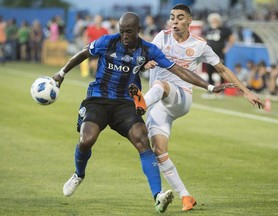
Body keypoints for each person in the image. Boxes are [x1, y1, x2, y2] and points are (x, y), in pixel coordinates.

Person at [53, 11, 233, 213]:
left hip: (125, 104)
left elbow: (179, 70)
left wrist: (209, 87)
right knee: (86, 139)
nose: (124, 36)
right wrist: (61, 74)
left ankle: (158, 197)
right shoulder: (107, 42)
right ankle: (79, 174)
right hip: (99, 99)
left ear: (138, 30)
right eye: (121, 31)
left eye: (129, 32)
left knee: (142, 140)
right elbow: (83, 54)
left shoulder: (148, 49)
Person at [128, 4, 264, 212]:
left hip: (180, 98)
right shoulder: (161, 38)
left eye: (180, 17)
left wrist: (246, 91)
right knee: (159, 151)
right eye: (172, 17)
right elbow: (142, 56)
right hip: (159, 106)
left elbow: (222, 68)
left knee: (160, 85)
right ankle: (186, 197)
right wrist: (146, 63)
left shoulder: (199, 45)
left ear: (190, 21)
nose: (175, 21)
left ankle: (140, 105)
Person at [203, 12, 235, 85]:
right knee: (209, 70)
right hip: (209, 53)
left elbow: (232, 39)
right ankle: (211, 87)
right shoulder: (208, 29)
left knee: (221, 70)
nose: (214, 22)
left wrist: (227, 48)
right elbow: (203, 39)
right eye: (213, 20)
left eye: (215, 20)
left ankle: (222, 87)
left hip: (219, 53)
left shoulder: (224, 29)